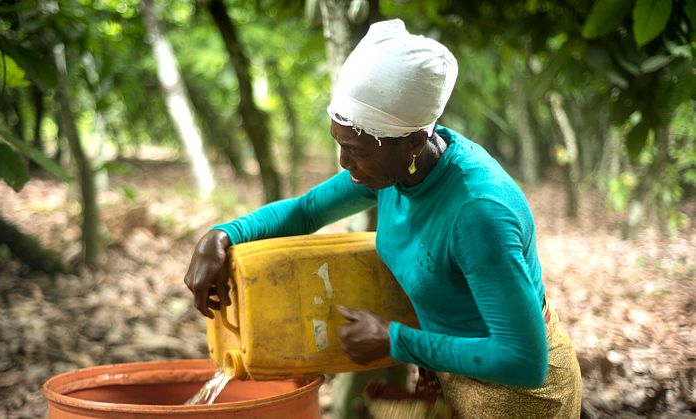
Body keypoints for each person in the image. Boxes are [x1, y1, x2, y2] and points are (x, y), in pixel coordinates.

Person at [184, 18, 582, 418]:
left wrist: (396, 341)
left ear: (412, 142)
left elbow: (524, 360)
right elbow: (307, 210)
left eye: (356, 150)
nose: (344, 162)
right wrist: (222, 235)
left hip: (517, 397)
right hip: (451, 369)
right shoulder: (394, 167)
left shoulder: (477, 212)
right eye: (339, 144)